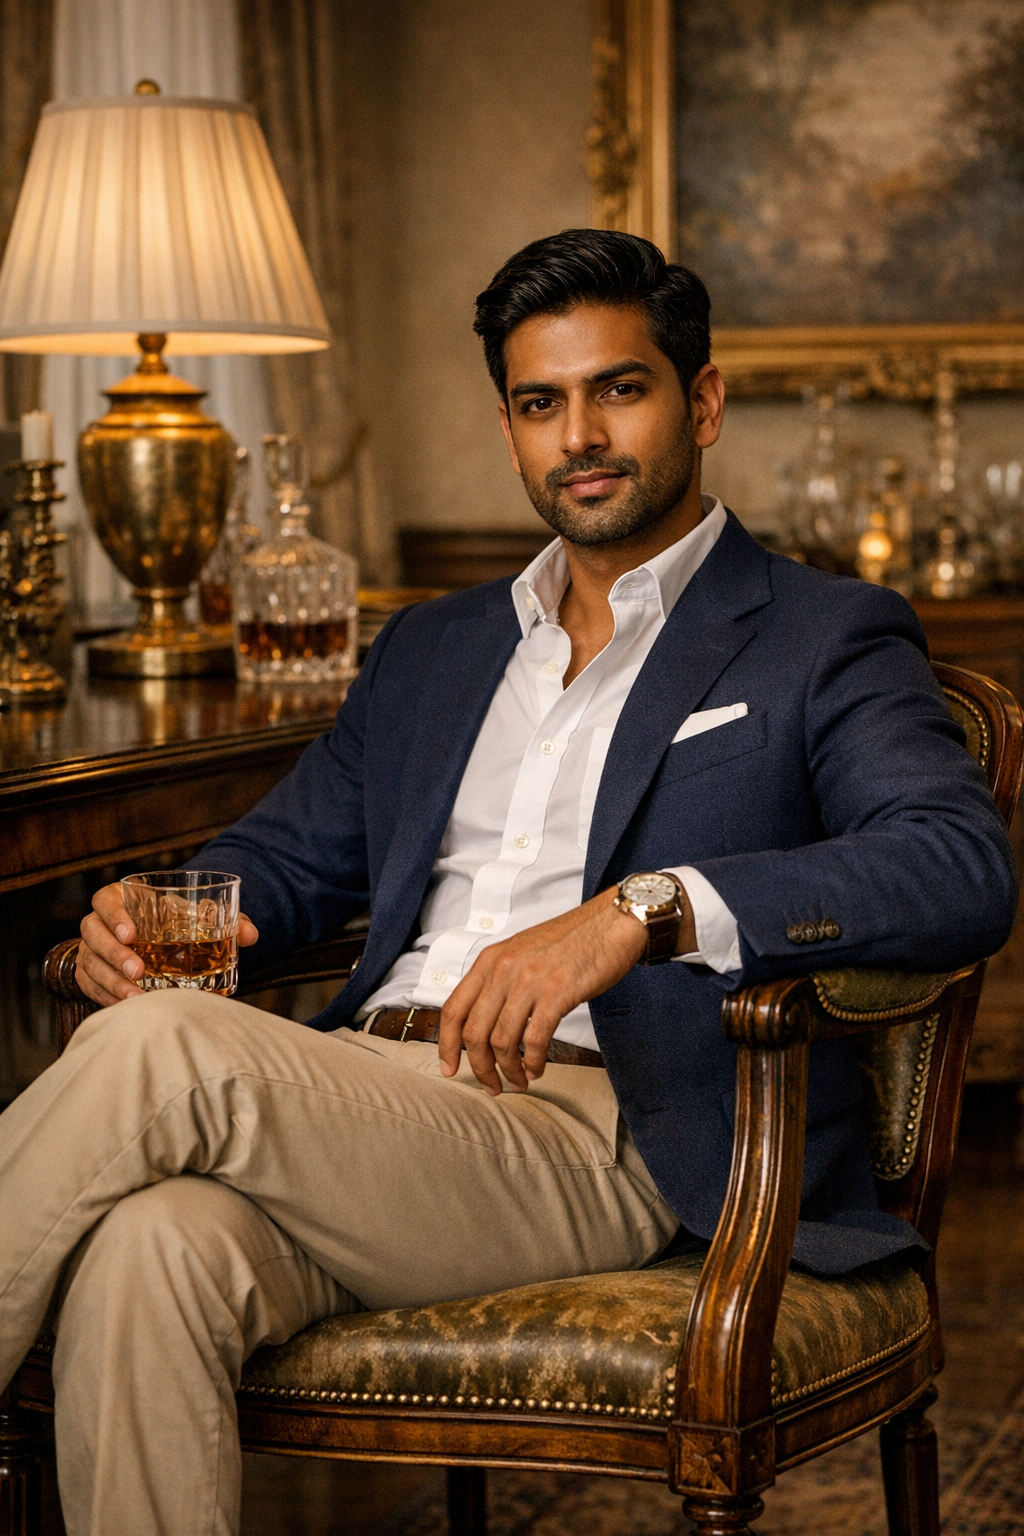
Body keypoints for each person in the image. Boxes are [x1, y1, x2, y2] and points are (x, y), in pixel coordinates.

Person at [0, 230, 1016, 1536]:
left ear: (700, 402)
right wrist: (153, 915)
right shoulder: (435, 645)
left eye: (620, 389)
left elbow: (953, 867)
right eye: (542, 403)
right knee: (156, 1253)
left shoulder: (824, 633)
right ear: (510, 428)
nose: (579, 433)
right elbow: (282, 861)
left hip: (601, 1125)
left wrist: (641, 909)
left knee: (161, 1053)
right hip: (364, 1106)